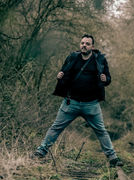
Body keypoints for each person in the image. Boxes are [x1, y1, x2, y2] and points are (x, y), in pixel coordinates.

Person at [34, 34, 123, 167]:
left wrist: (106, 80)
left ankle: (113, 158)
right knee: (56, 127)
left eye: (87, 44)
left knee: (101, 131)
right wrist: (59, 77)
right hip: (71, 102)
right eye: (82, 43)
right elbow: (64, 74)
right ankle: (40, 152)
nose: (84, 45)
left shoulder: (100, 60)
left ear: (92, 46)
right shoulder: (72, 57)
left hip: (91, 104)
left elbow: (108, 79)